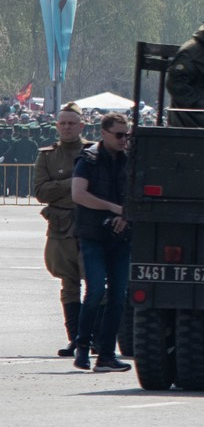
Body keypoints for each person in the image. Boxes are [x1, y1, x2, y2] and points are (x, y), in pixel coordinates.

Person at [71, 113, 132, 372]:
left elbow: (139, 193)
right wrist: (113, 209)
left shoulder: (130, 160)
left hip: (121, 236)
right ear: (104, 133)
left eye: (126, 134)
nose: (123, 139)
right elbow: (79, 194)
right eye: (119, 134)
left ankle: (106, 354)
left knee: (119, 297)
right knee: (95, 291)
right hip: (93, 234)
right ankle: (82, 348)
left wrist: (126, 215)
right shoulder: (89, 159)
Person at [32, 103, 88, 357]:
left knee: (98, 283)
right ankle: (75, 338)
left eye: (71, 123)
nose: (66, 128)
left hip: (89, 224)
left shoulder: (92, 152)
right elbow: (42, 192)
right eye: (62, 123)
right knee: (69, 283)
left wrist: (61, 186)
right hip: (61, 226)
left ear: (81, 126)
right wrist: (74, 182)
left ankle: (94, 337)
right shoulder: (47, 155)